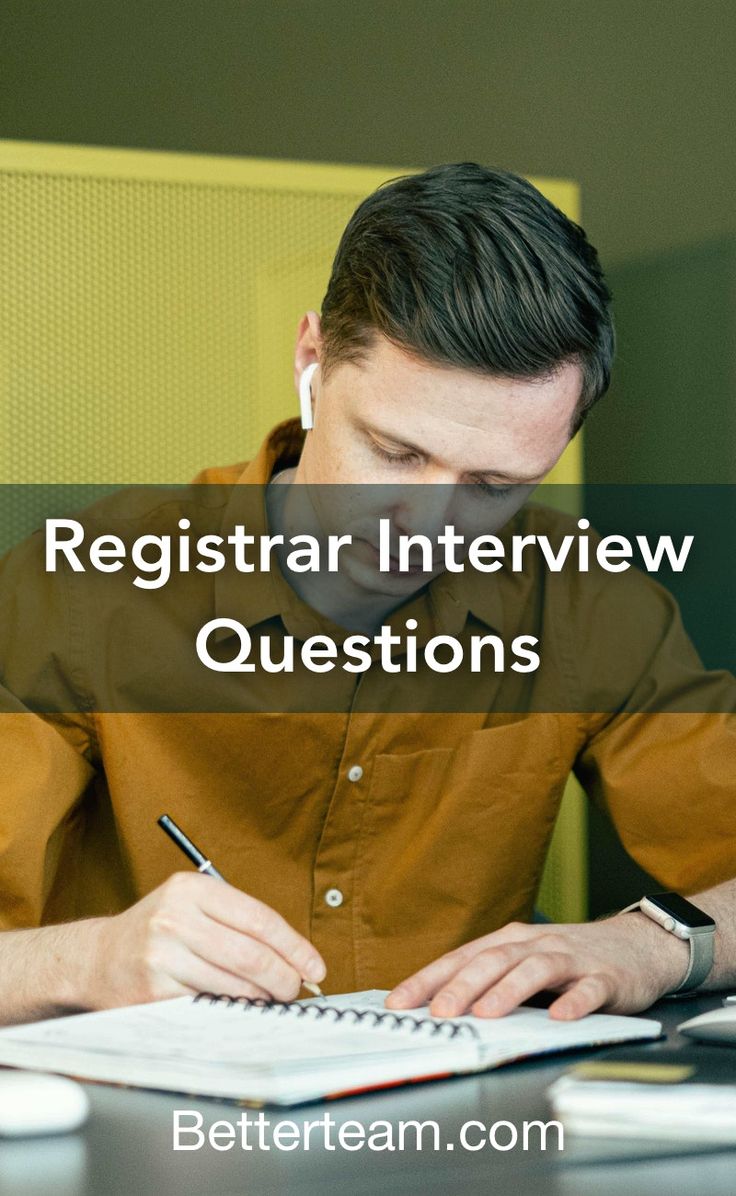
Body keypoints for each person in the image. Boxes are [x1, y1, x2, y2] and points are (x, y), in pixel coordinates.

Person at [1, 163, 734, 1026]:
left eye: (494, 484)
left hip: (458, 1137)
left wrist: (650, 944)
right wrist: (87, 957)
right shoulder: (81, 585)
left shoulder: (585, 600)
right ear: (313, 363)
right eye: (394, 453)